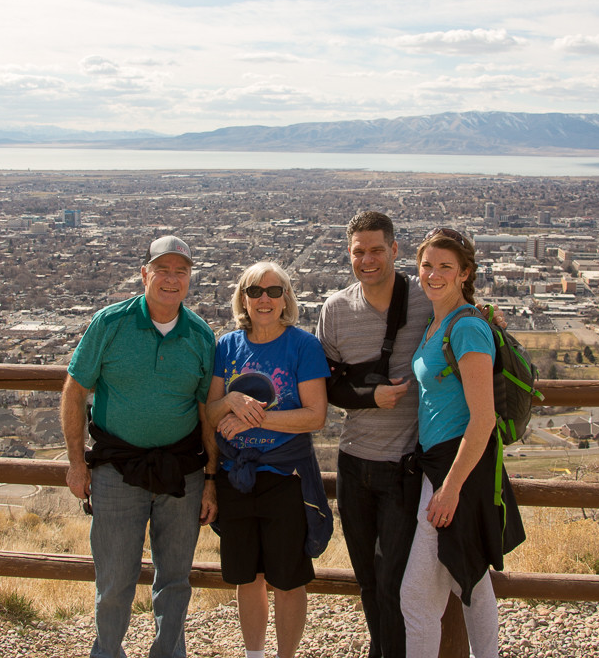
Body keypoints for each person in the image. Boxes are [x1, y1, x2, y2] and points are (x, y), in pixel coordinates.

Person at [60, 235, 218, 658]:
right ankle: (107, 652)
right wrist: (77, 463)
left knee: (175, 579)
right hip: (117, 470)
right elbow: (74, 391)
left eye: (180, 271)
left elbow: (207, 414)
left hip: (181, 471)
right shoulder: (110, 324)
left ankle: (168, 653)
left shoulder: (201, 336)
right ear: (144, 273)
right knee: (114, 579)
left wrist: (210, 479)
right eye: (162, 270)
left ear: (190, 278)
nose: (171, 279)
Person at [401, 227, 525, 658]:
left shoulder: (466, 328)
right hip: (441, 464)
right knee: (469, 578)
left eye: (445, 267)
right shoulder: (439, 320)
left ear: (465, 272)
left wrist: (450, 488)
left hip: (456, 470)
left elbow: (484, 417)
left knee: (416, 597)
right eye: (427, 265)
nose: (433, 274)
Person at [315, 211, 432, 658]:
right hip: (354, 462)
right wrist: (372, 398)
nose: (367, 260)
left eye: (376, 250)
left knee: (393, 579)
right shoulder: (336, 309)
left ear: (395, 250)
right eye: (358, 252)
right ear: (350, 253)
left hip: (404, 465)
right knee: (367, 578)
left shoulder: (425, 299)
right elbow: (326, 384)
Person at [205, 261, 331, 658]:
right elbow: (209, 413)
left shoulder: (303, 346)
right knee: (248, 576)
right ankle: (254, 654)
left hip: (285, 476)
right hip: (235, 476)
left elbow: (316, 415)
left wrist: (250, 420)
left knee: (289, 578)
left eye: (274, 292)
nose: (264, 299)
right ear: (243, 297)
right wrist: (227, 403)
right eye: (255, 291)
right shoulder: (225, 346)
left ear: (286, 299)